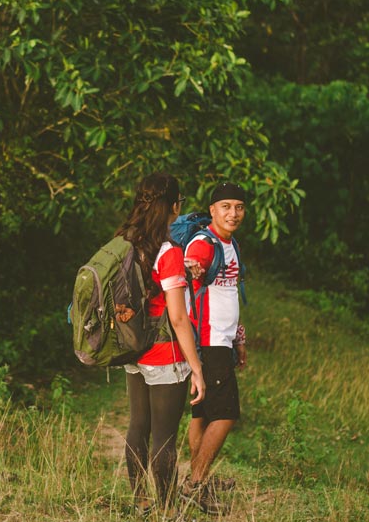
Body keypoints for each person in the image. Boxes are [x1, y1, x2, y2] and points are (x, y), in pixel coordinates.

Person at [117, 172, 206, 516]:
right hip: (163, 356)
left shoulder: (125, 240)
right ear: (172, 206)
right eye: (178, 203)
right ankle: (168, 510)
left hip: (133, 348)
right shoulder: (166, 251)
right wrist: (195, 366)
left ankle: (140, 502)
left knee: (138, 425)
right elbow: (178, 317)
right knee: (164, 437)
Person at [181, 181, 248, 514]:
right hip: (208, 341)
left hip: (222, 339)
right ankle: (195, 483)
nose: (233, 213)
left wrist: (239, 337)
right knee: (226, 414)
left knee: (204, 413)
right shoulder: (204, 243)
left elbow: (227, 293)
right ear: (212, 210)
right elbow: (190, 263)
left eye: (238, 206)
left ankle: (198, 481)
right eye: (226, 206)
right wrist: (190, 267)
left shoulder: (229, 242)